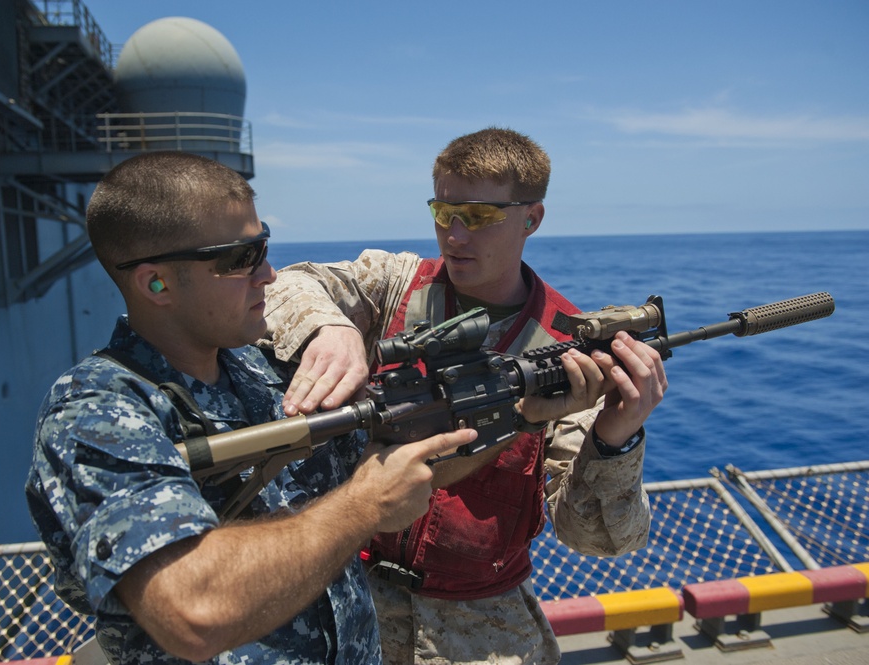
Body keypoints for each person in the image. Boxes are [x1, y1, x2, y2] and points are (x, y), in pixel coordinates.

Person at [24, 151, 479, 665]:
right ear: (156, 283)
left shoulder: (267, 373)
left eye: (264, 248)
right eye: (242, 258)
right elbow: (191, 610)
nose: (269, 274)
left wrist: (523, 414)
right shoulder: (98, 412)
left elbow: (393, 468)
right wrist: (362, 507)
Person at [260, 128, 668, 664]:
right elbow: (290, 283)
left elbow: (597, 537)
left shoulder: (567, 350)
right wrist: (329, 329)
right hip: (350, 602)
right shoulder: (395, 284)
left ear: (532, 218)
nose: (453, 234)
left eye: (478, 216)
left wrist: (615, 438)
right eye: (442, 210)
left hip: (484, 632)